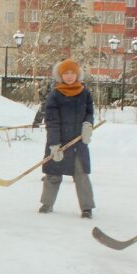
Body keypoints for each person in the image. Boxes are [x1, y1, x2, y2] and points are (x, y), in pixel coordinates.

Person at [38, 59, 95, 218]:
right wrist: (54, 144)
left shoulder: (84, 93)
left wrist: (88, 125)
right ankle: (47, 204)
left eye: (72, 73)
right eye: (65, 73)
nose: (69, 76)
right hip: (59, 142)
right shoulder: (55, 95)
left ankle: (87, 208)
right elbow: (52, 121)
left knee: (81, 174)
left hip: (78, 142)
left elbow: (90, 112)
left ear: (77, 74)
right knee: (53, 174)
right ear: (60, 75)